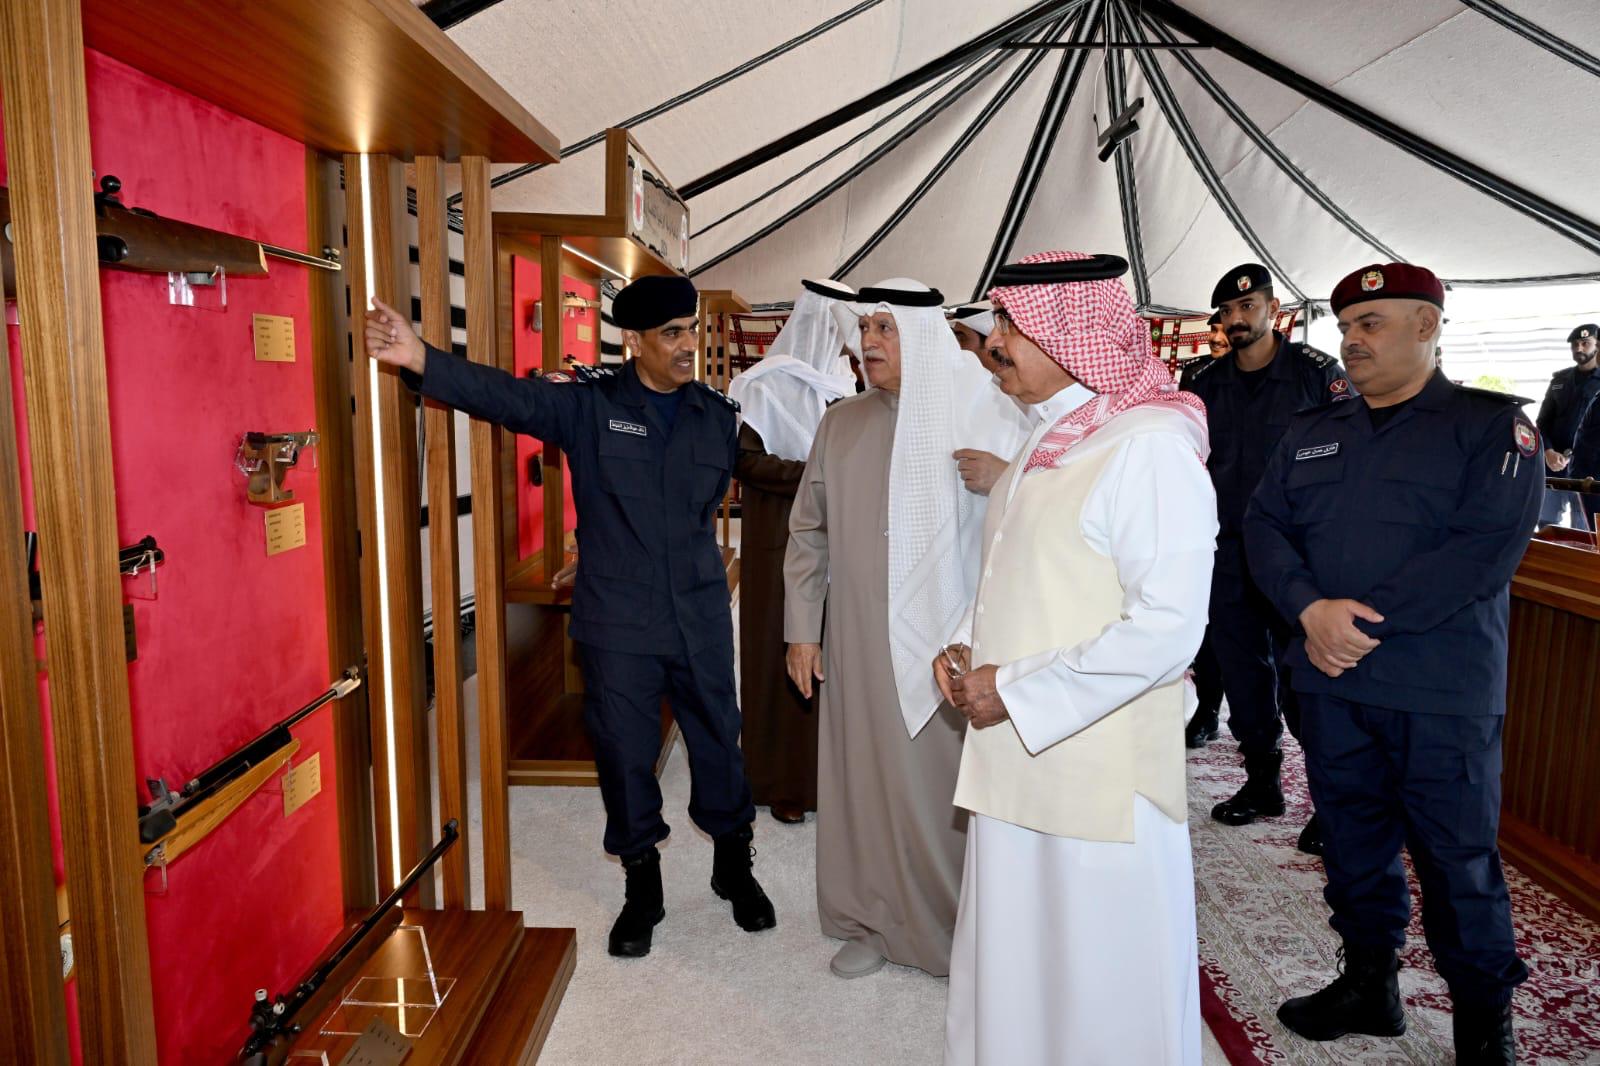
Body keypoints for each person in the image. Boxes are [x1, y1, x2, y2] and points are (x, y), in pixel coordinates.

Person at [363, 275, 775, 959]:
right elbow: (508, 397)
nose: (687, 346)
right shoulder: (589, 406)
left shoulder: (716, 415)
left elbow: (763, 474)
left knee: (718, 742)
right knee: (623, 752)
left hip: (700, 613)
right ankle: (642, 885)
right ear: (634, 341)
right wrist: (421, 358)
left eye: (691, 330)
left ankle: (733, 864)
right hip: (618, 621)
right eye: (671, 333)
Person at [1245, 263, 1538, 1065]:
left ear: (1427, 327)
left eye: (1371, 323)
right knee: (1351, 841)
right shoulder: (1313, 430)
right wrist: (1310, 610)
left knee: (1457, 860)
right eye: (1346, 326)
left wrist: (1355, 622)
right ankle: (1370, 985)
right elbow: (1264, 526)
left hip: (1439, 688)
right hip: (1331, 680)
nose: (1352, 339)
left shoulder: (1490, 427)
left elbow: (1483, 550)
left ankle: (1483, 1024)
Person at [939, 251, 1215, 1066]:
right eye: (997, 323)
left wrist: (1014, 690)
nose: (994, 344)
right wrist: (964, 641)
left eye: (1013, 326)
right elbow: (1018, 567)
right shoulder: (1049, 437)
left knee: (1097, 975)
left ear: (1074, 334)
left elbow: (1167, 627)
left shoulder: (1149, 446)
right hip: (1018, 751)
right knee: (1016, 956)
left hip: (1097, 768)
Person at [784, 277, 1028, 980]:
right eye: (865, 328)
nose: (869, 342)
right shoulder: (841, 423)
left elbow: (1056, 512)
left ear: (921, 336)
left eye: (886, 329)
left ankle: (958, 930)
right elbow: (808, 531)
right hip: (857, 635)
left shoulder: (987, 407)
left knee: (936, 790)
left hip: (952, 641)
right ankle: (870, 920)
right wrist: (802, 630)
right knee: (861, 779)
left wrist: (1007, 477)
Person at [1184, 263, 1351, 855]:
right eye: (1228, 312)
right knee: (1242, 673)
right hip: (1226, 550)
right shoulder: (1203, 381)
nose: (1237, 320)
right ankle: (1263, 784)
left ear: (1273, 308)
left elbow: (1352, 456)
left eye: (1247, 307)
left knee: (1304, 681)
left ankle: (1332, 806)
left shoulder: (1316, 374)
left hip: (1295, 556)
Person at [728, 279, 858, 824]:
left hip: (840, 537)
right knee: (776, 652)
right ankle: (779, 782)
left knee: (832, 654)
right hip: (777, 538)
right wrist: (816, 475)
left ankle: (827, 777)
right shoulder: (763, 384)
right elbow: (745, 461)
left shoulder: (846, 382)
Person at [1179, 310, 1229, 748]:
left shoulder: (1302, 372)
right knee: (1208, 628)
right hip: (1205, 521)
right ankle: (1207, 711)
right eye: (1213, 327)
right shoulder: (1197, 376)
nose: (1217, 336)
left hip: (1264, 528)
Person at [1539, 323, 1600, 527]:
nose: (1578, 348)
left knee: (1584, 528)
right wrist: (1548, 451)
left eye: (1585, 343)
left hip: (1588, 471)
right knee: (1546, 524)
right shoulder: (1560, 380)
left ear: (1597, 345)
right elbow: (1543, 421)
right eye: (1574, 344)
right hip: (1554, 465)